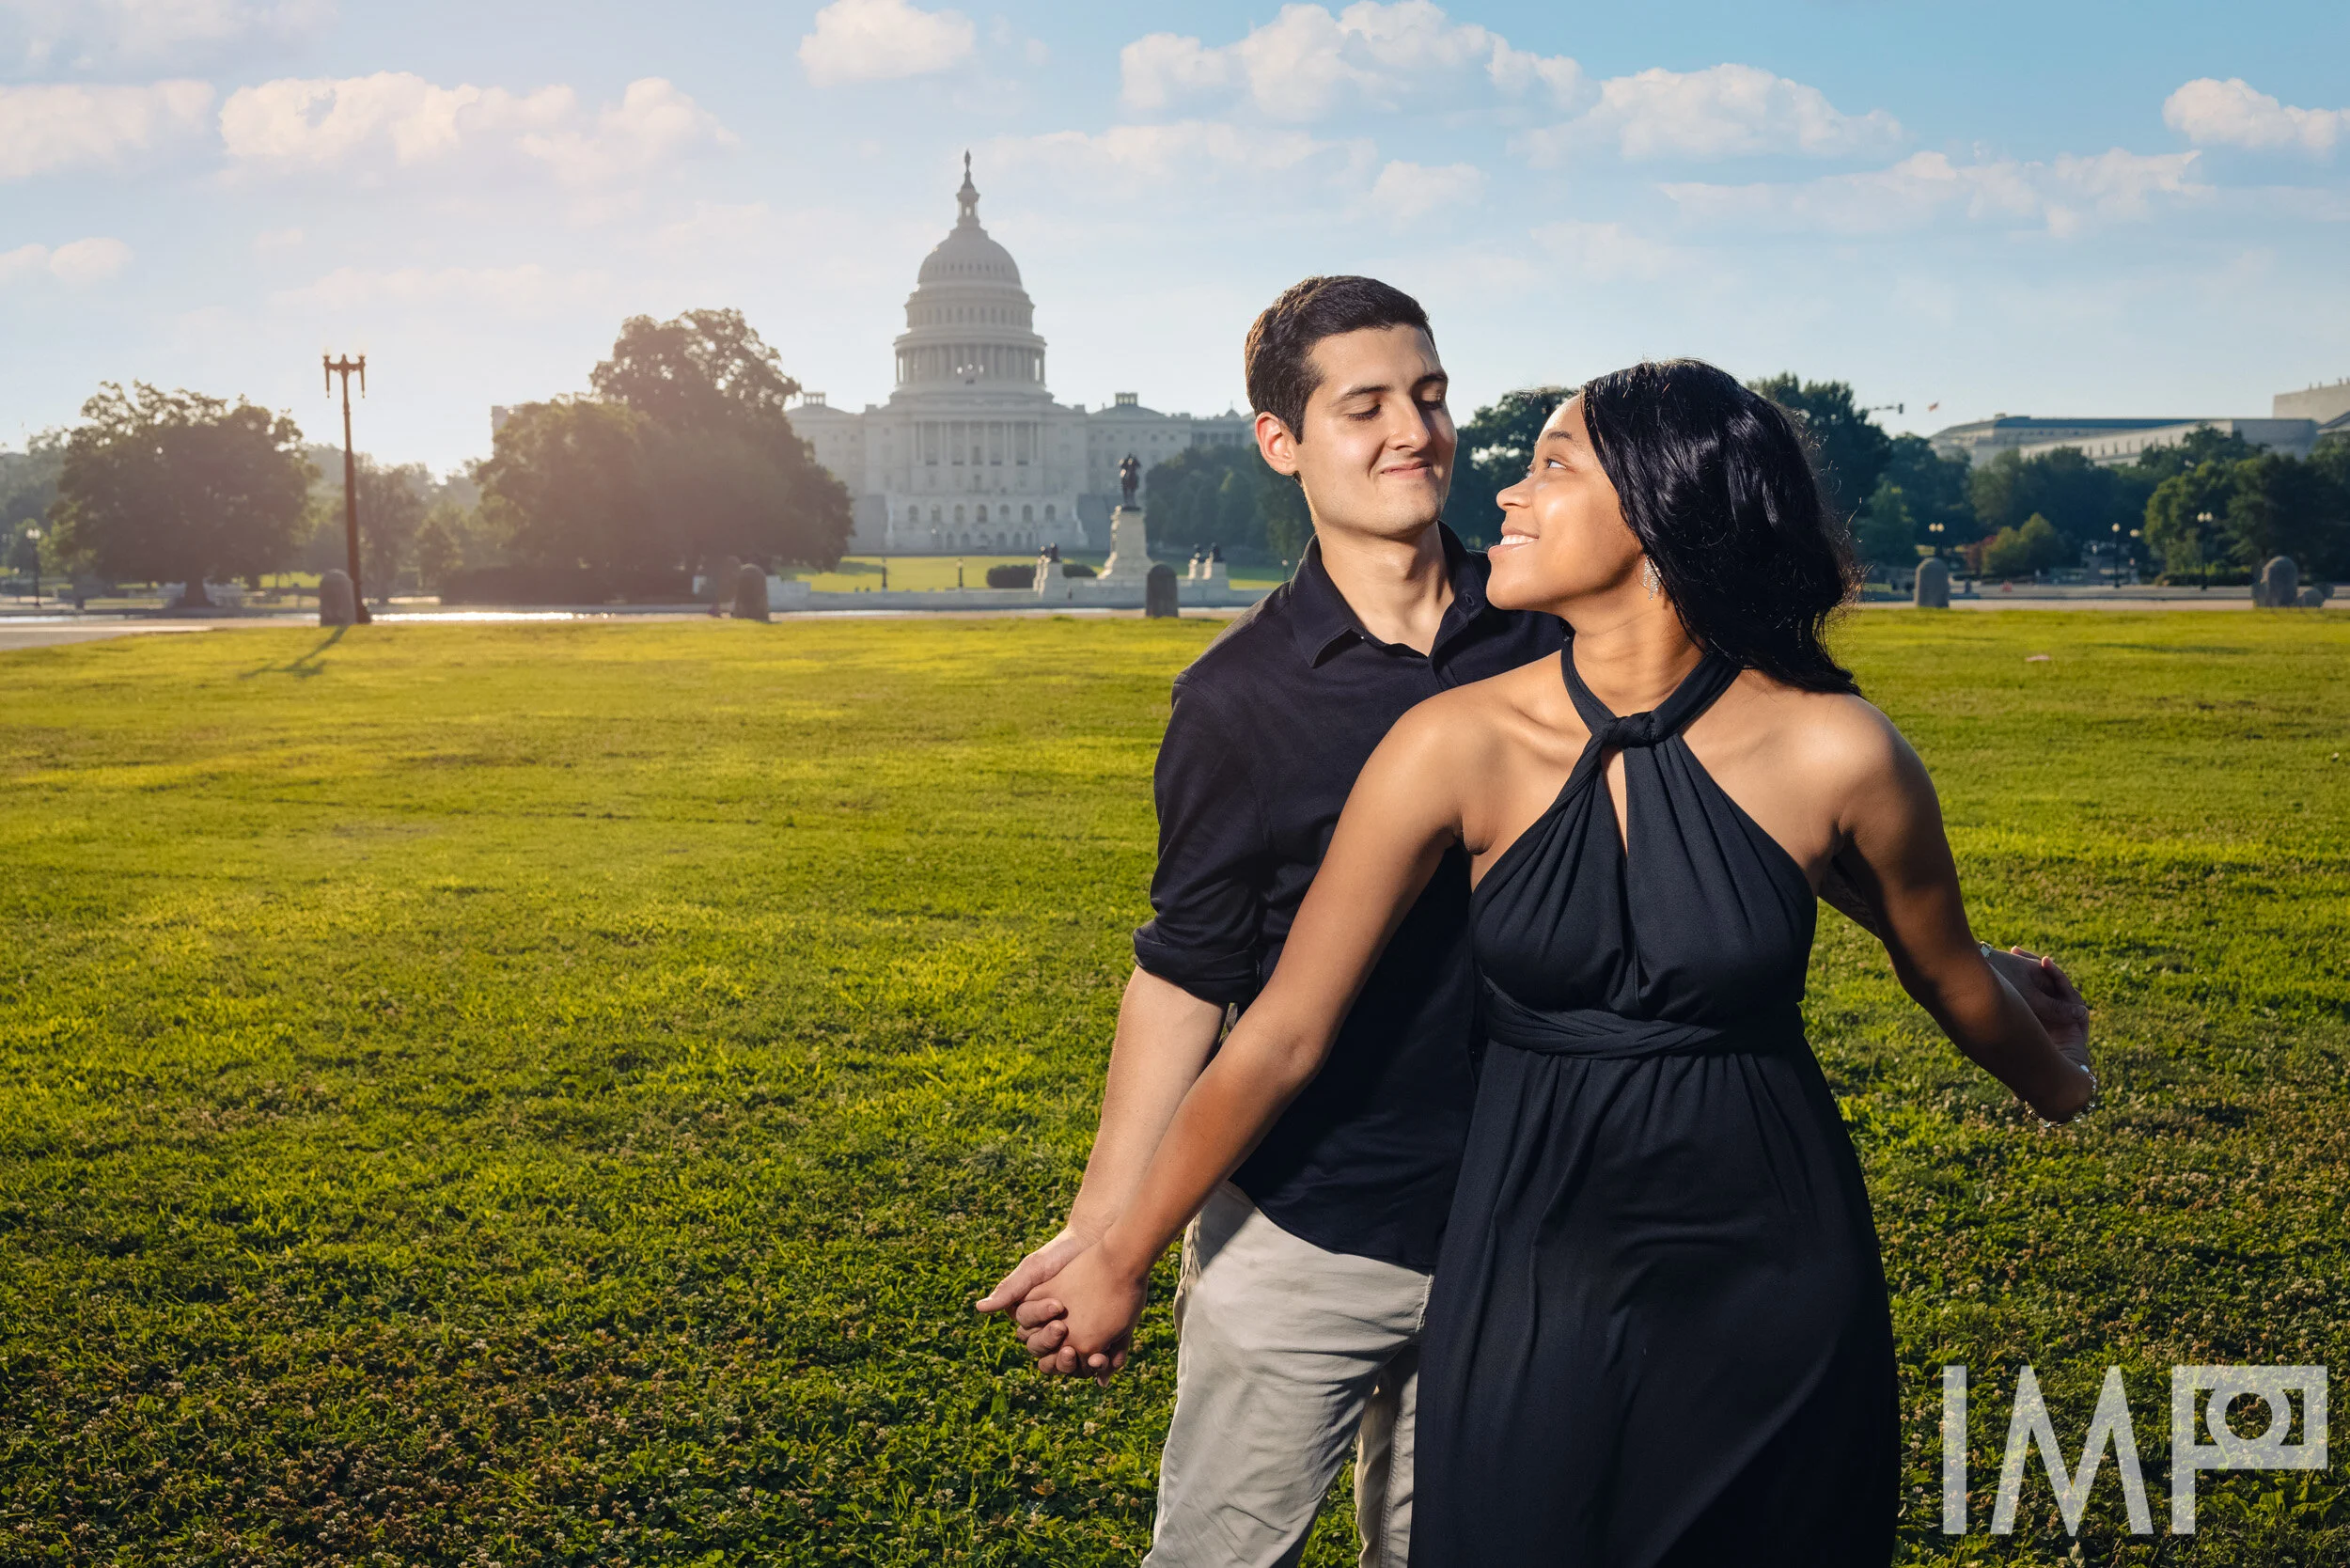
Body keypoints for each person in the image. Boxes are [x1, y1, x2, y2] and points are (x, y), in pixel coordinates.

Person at [979, 293, 2088, 1566]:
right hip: (1353, 1218)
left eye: (1435, 398)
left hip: (1620, 1232)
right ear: (1282, 442)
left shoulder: (1573, 630)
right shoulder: (1272, 705)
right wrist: (1111, 1233)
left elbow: (1762, 832)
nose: (1432, 440)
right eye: (1369, 406)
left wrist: (2005, 1010)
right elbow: (1214, 992)